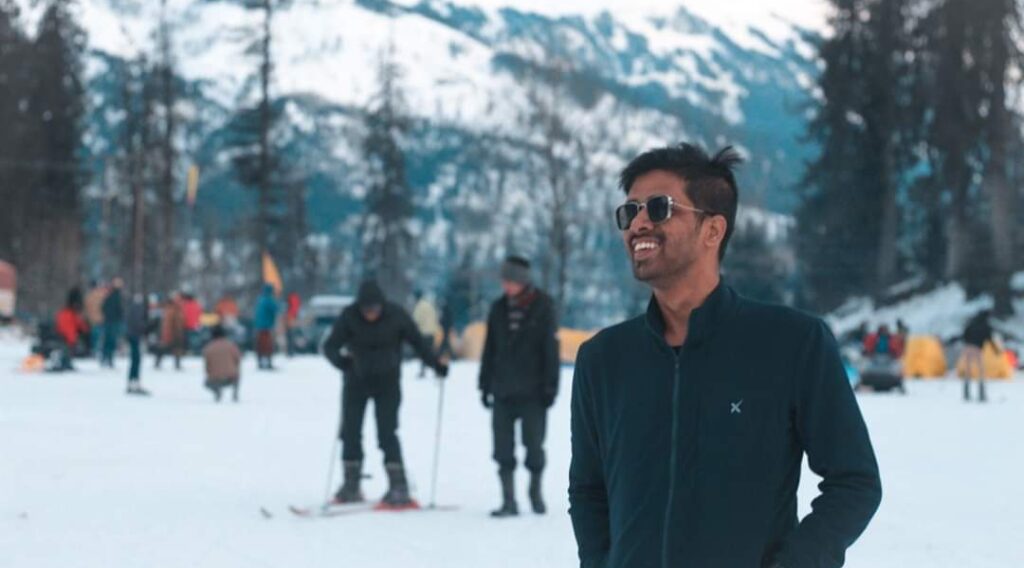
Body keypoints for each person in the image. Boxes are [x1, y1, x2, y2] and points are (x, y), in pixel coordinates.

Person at [569, 143, 881, 567]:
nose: (638, 223)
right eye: (629, 211)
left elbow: (854, 481)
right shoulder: (603, 359)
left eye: (659, 208)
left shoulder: (792, 343)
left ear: (712, 230)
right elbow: (589, 490)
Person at [322, 280, 449, 507]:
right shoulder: (349, 316)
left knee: (387, 434)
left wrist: (436, 364)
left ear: (382, 305)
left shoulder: (396, 315)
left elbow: (418, 342)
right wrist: (343, 363)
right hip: (356, 383)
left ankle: (399, 487)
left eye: (375, 309)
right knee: (350, 432)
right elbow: (330, 346)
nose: (371, 314)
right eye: (366, 310)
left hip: (387, 384)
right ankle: (351, 485)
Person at [479, 256, 560, 518]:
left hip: (533, 392)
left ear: (522, 281)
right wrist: (484, 384)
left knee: (534, 446)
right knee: (502, 448)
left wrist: (551, 387)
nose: (506, 286)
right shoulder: (498, 308)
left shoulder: (543, 306)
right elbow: (489, 348)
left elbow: (551, 349)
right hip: (502, 390)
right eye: (504, 281)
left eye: (511, 281)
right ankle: (508, 500)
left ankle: (535, 492)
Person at [962, 310, 999, 403]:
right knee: (981, 370)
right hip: (977, 349)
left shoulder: (971, 323)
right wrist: (996, 350)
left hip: (968, 347)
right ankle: (981, 393)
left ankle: (966, 393)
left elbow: (964, 334)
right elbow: (989, 339)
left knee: (968, 370)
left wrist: (967, 342)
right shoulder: (986, 326)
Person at [202, 325, 242, 403]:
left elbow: (207, 366)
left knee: (206, 383)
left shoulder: (208, 348)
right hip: (231, 378)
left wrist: (210, 374)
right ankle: (235, 394)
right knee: (237, 374)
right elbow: (238, 359)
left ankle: (217, 391)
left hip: (215, 379)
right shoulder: (231, 345)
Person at [54, 288, 88, 371]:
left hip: (63, 334)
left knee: (66, 349)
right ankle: (65, 363)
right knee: (67, 349)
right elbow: (74, 326)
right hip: (67, 335)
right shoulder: (71, 313)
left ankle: (66, 363)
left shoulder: (66, 312)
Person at [125, 293, 151, 396]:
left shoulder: (131, 308)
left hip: (132, 336)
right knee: (136, 360)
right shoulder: (138, 309)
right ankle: (134, 383)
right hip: (135, 336)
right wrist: (147, 327)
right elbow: (138, 323)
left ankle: (132, 383)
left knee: (135, 360)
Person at [412, 290, 441, 377]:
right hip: (432, 332)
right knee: (430, 352)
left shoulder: (419, 306)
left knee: (424, 352)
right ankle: (435, 369)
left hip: (423, 332)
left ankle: (426, 370)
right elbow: (436, 317)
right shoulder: (429, 305)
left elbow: (416, 319)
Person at [100, 277, 125, 368]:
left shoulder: (108, 295)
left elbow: (103, 308)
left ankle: (105, 358)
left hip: (108, 321)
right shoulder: (117, 297)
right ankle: (109, 358)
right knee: (111, 341)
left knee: (107, 340)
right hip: (114, 322)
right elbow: (120, 310)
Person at [156, 293, 185, 371]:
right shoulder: (171, 309)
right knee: (167, 347)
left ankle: (176, 363)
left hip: (174, 332)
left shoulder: (174, 309)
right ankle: (159, 362)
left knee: (176, 348)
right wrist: (168, 333)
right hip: (172, 333)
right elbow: (168, 324)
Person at [253, 284, 279, 370]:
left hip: (258, 326)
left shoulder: (260, 299)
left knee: (260, 345)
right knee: (268, 345)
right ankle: (268, 362)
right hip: (266, 327)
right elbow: (277, 309)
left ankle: (260, 362)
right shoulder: (269, 300)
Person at [84, 280, 107, 358]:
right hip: (102, 319)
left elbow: (86, 308)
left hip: (92, 320)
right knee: (102, 336)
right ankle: (101, 351)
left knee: (94, 336)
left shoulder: (88, 296)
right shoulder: (102, 295)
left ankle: (94, 351)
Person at [285, 291, 301, 356]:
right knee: (292, 335)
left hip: (290, 317)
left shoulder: (290, 299)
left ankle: (290, 351)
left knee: (289, 336)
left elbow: (289, 308)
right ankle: (291, 351)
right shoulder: (296, 299)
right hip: (294, 317)